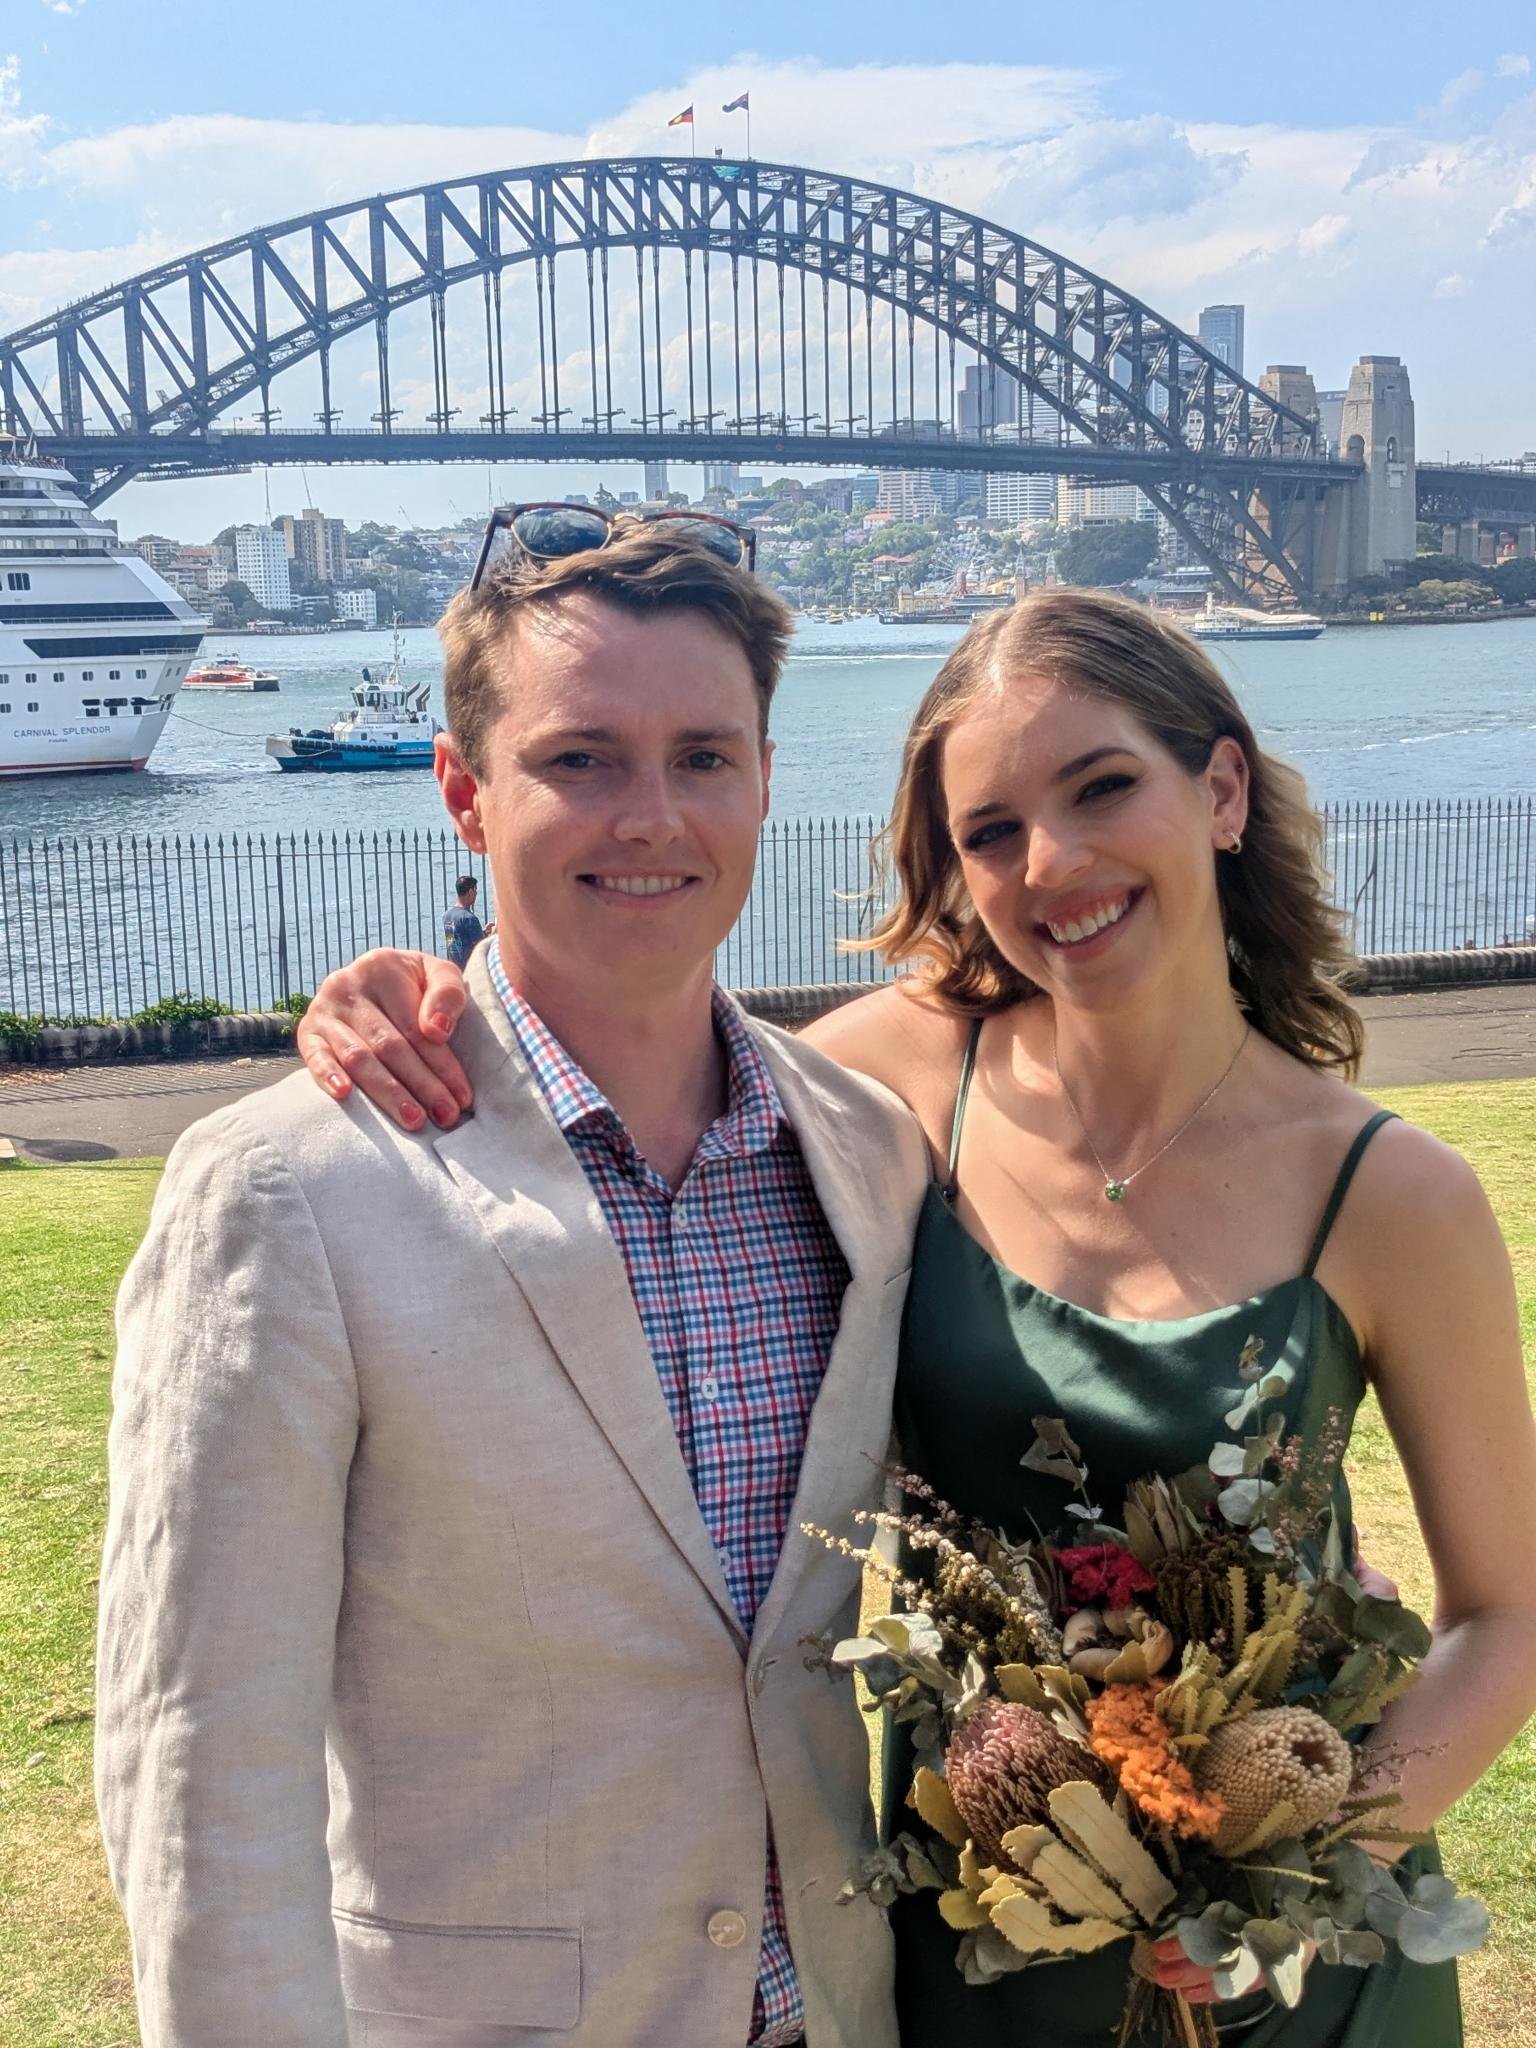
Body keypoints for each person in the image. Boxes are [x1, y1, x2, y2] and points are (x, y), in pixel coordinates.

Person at [296, 589, 1536, 2048]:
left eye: (1102, 788)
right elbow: (638, 1051)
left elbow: (1507, 1613)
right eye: (990, 830)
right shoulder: (891, 1085)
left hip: (1282, 1946)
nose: (1051, 864)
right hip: (980, 1915)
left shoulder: (1393, 1193)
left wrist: (1305, 1869)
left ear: (1220, 789)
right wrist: (419, 999)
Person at [96, 515, 928, 2048]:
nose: (653, 817)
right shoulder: (288, 1192)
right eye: (582, 760)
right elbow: (203, 1753)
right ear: (465, 795)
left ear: (761, 779)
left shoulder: (870, 1152)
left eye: (705, 756)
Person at [441, 871, 490, 967]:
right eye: (475, 891)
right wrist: (493, 934)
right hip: (470, 968)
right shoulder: (470, 918)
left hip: (455, 967)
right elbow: (480, 946)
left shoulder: (446, 916)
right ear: (471, 892)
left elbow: (452, 940)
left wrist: (483, 932)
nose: (476, 894)